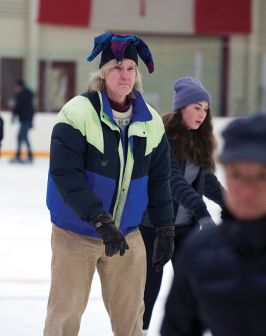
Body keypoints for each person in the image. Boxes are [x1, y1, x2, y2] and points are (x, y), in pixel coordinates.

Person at [43, 32, 175, 336]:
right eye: (117, 68)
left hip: (127, 233)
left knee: (131, 322)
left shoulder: (151, 122)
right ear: (102, 74)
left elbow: (158, 181)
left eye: (130, 68)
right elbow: (66, 175)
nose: (124, 75)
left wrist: (165, 228)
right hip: (76, 234)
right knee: (64, 316)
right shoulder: (77, 113)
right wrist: (99, 219)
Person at [161, 112, 266, 336]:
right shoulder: (199, 251)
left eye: (261, 176)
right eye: (237, 175)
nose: (247, 190)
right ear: (225, 173)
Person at [140, 76, 225, 333]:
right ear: (181, 108)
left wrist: (231, 203)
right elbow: (172, 181)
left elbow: (206, 181)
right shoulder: (162, 137)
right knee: (148, 292)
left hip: (186, 231)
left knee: (193, 291)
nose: (202, 114)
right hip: (156, 229)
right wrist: (202, 211)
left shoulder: (197, 140)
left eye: (206, 109)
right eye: (196, 107)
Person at [10, 79, 34, 163]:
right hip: (26, 120)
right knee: (24, 137)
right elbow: (30, 109)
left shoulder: (22, 95)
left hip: (25, 120)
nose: (15, 88)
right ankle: (29, 156)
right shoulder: (26, 95)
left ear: (20, 86)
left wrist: (13, 116)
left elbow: (18, 107)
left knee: (21, 137)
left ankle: (20, 156)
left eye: (16, 86)